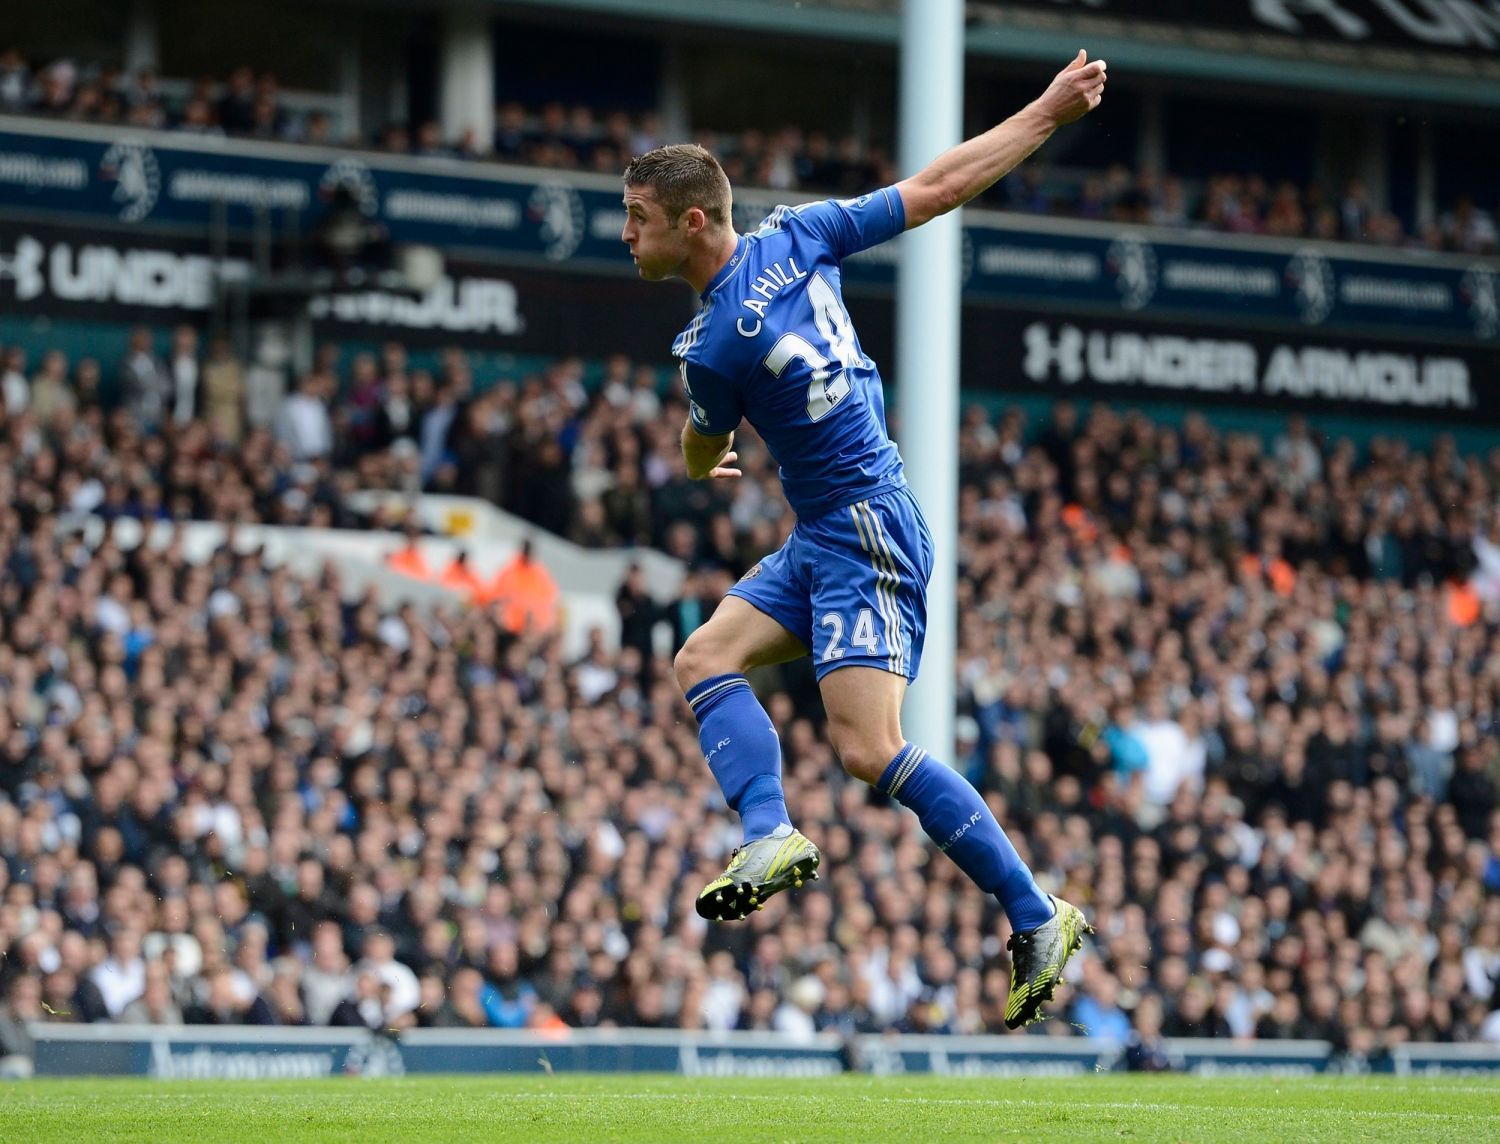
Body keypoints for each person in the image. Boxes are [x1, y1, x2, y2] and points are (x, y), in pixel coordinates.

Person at [620, 49, 1108, 1029]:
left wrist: (700, 459)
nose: (626, 235)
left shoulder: (712, 350)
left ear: (693, 222)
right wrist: (1046, 113)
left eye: (637, 218)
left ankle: (1036, 912)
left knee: (868, 747)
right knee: (703, 656)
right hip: (828, 529)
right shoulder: (799, 234)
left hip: (864, 527)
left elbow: (700, 449)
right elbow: (938, 186)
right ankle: (769, 832)